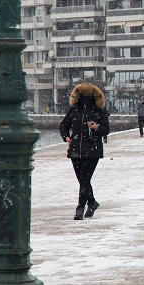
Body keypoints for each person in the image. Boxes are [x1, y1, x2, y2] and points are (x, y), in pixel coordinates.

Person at [58, 82, 111, 220]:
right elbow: (63, 125)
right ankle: (92, 202)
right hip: (75, 148)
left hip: (92, 149)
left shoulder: (99, 110)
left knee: (85, 179)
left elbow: (106, 130)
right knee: (82, 180)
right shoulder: (74, 109)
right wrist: (66, 137)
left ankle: (80, 208)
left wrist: (96, 127)